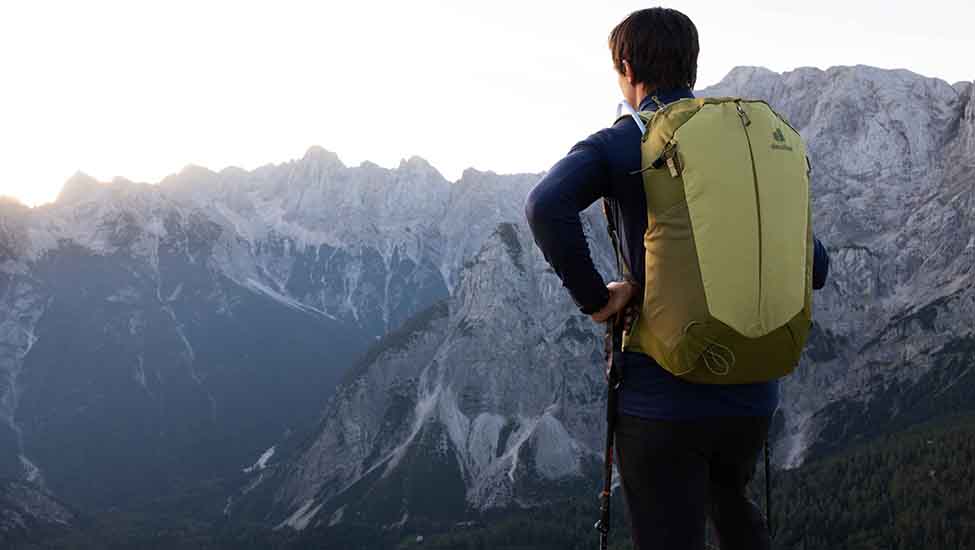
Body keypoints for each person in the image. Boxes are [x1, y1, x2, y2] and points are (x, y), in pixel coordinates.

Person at [524, 8, 830, 550]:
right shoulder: (741, 151)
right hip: (753, 393)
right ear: (692, 64)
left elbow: (545, 205)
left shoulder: (628, 142)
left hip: (661, 395)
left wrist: (596, 300)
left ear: (625, 67)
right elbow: (818, 268)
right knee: (731, 507)